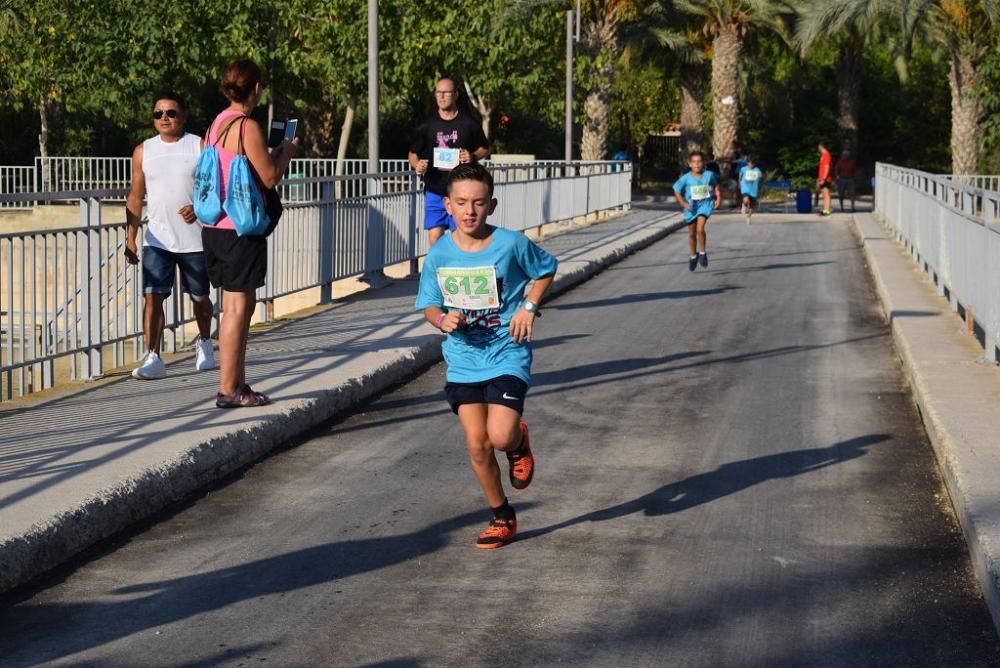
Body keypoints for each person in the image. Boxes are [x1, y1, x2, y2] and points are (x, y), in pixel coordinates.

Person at [415, 163, 558, 549]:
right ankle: (501, 515)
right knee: (477, 444)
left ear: (492, 205)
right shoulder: (440, 253)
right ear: (447, 205)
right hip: (463, 358)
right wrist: (442, 320)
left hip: (506, 351)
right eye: (461, 202)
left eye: (478, 203)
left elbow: (546, 269)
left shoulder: (511, 244)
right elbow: (428, 304)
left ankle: (517, 442)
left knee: (499, 435)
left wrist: (528, 307)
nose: (470, 211)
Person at [202, 59, 297, 408]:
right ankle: (228, 389)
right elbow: (270, 177)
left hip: (215, 227)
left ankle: (238, 384)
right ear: (256, 89)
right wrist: (285, 153)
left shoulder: (216, 124)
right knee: (238, 309)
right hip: (240, 228)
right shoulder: (248, 127)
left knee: (234, 306)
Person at [125, 92, 216, 380]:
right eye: (158, 113)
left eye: (171, 113)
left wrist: (198, 210)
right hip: (158, 240)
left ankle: (204, 342)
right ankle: (153, 356)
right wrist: (131, 236)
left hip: (195, 240)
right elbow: (136, 196)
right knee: (152, 297)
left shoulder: (199, 146)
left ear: (183, 116)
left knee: (200, 298)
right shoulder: (144, 151)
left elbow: (215, 188)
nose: (164, 118)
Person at [408, 78, 491, 246]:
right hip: (435, 189)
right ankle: (439, 271)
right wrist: (417, 165)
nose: (442, 96)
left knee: (460, 238)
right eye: (439, 92)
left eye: (446, 92)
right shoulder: (427, 125)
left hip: (462, 192)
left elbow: (485, 148)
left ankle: (458, 270)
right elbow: (412, 153)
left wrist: (473, 157)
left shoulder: (469, 123)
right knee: (434, 237)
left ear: (456, 95)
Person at [673, 151, 721, 271]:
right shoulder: (685, 178)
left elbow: (717, 186)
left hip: (705, 205)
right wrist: (683, 203)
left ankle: (703, 253)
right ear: (689, 164)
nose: (696, 164)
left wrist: (718, 198)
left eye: (699, 161)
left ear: (703, 163)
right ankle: (693, 255)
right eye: (693, 162)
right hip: (691, 207)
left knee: (700, 229)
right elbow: (676, 190)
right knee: (692, 234)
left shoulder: (709, 175)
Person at [739, 155, 763, 225]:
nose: (750, 165)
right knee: (746, 200)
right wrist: (740, 184)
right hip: (745, 188)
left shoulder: (757, 170)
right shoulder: (743, 169)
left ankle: (748, 218)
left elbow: (760, 178)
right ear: (747, 163)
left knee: (752, 206)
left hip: (753, 189)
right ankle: (744, 204)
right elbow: (740, 177)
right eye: (749, 163)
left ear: (754, 164)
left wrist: (760, 186)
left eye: (752, 163)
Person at [817, 141, 833, 216]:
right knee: (824, 194)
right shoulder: (823, 155)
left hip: (825, 178)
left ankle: (827, 210)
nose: (818, 147)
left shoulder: (826, 155)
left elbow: (827, 167)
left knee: (826, 194)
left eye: (819, 146)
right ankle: (825, 209)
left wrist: (824, 178)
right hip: (822, 178)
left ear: (821, 146)